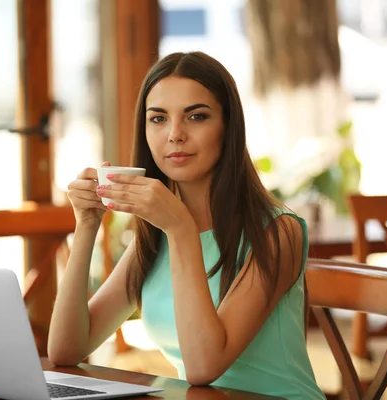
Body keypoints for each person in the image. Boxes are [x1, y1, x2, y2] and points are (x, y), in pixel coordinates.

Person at [48, 51, 325, 399]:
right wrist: (86, 227)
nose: (175, 134)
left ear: (228, 126)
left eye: (196, 116)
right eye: (159, 118)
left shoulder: (279, 232)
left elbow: (203, 367)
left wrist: (181, 229)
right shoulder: (156, 234)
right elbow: (66, 350)